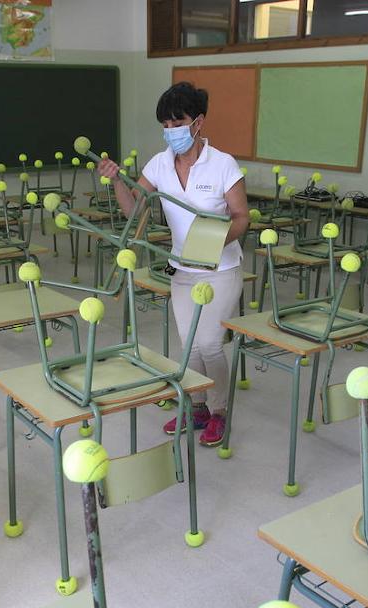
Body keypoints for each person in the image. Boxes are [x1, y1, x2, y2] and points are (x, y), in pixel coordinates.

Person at [97, 82, 250, 447]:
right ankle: (195, 408)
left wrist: (211, 240)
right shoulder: (159, 164)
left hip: (222, 270)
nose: (170, 132)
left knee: (210, 344)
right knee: (189, 346)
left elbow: (242, 218)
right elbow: (136, 212)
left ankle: (219, 413)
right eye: (165, 125)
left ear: (197, 123)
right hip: (183, 272)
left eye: (176, 122)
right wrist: (118, 180)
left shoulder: (223, 164)